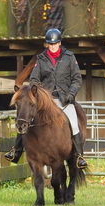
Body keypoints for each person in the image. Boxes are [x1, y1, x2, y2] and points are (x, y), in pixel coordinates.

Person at [5, 28, 88, 169]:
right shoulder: (41, 58)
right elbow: (34, 79)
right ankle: (16, 150)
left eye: (55, 44)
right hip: (46, 100)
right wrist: (40, 94)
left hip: (64, 98)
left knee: (74, 122)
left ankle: (79, 156)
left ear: (60, 43)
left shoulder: (69, 57)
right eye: (50, 44)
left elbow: (76, 79)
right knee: (25, 117)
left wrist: (71, 94)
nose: (53, 46)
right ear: (47, 44)